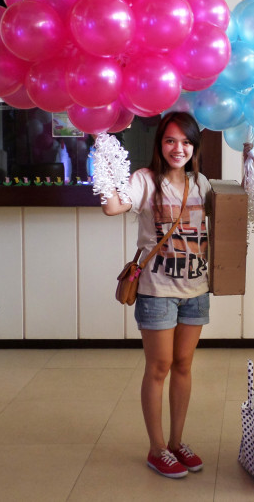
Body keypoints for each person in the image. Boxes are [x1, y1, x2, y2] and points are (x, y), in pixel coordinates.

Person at [100, 112, 211, 479]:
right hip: (157, 291)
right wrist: (104, 154)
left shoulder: (202, 184)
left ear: (194, 145)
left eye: (185, 141)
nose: (178, 148)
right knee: (159, 368)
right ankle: (157, 448)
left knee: (183, 367)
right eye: (170, 140)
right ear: (159, 143)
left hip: (196, 290)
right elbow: (113, 206)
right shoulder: (145, 181)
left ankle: (178, 442)